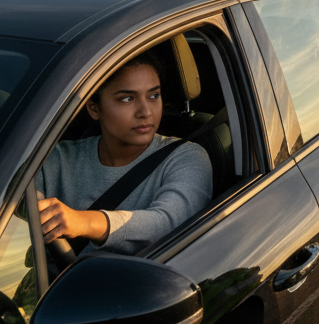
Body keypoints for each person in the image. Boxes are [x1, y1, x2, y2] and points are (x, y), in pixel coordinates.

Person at [36, 52, 213, 256]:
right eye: (127, 99)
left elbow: (168, 223)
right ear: (94, 108)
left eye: (154, 96)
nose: (145, 112)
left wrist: (83, 222)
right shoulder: (55, 159)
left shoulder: (187, 157)